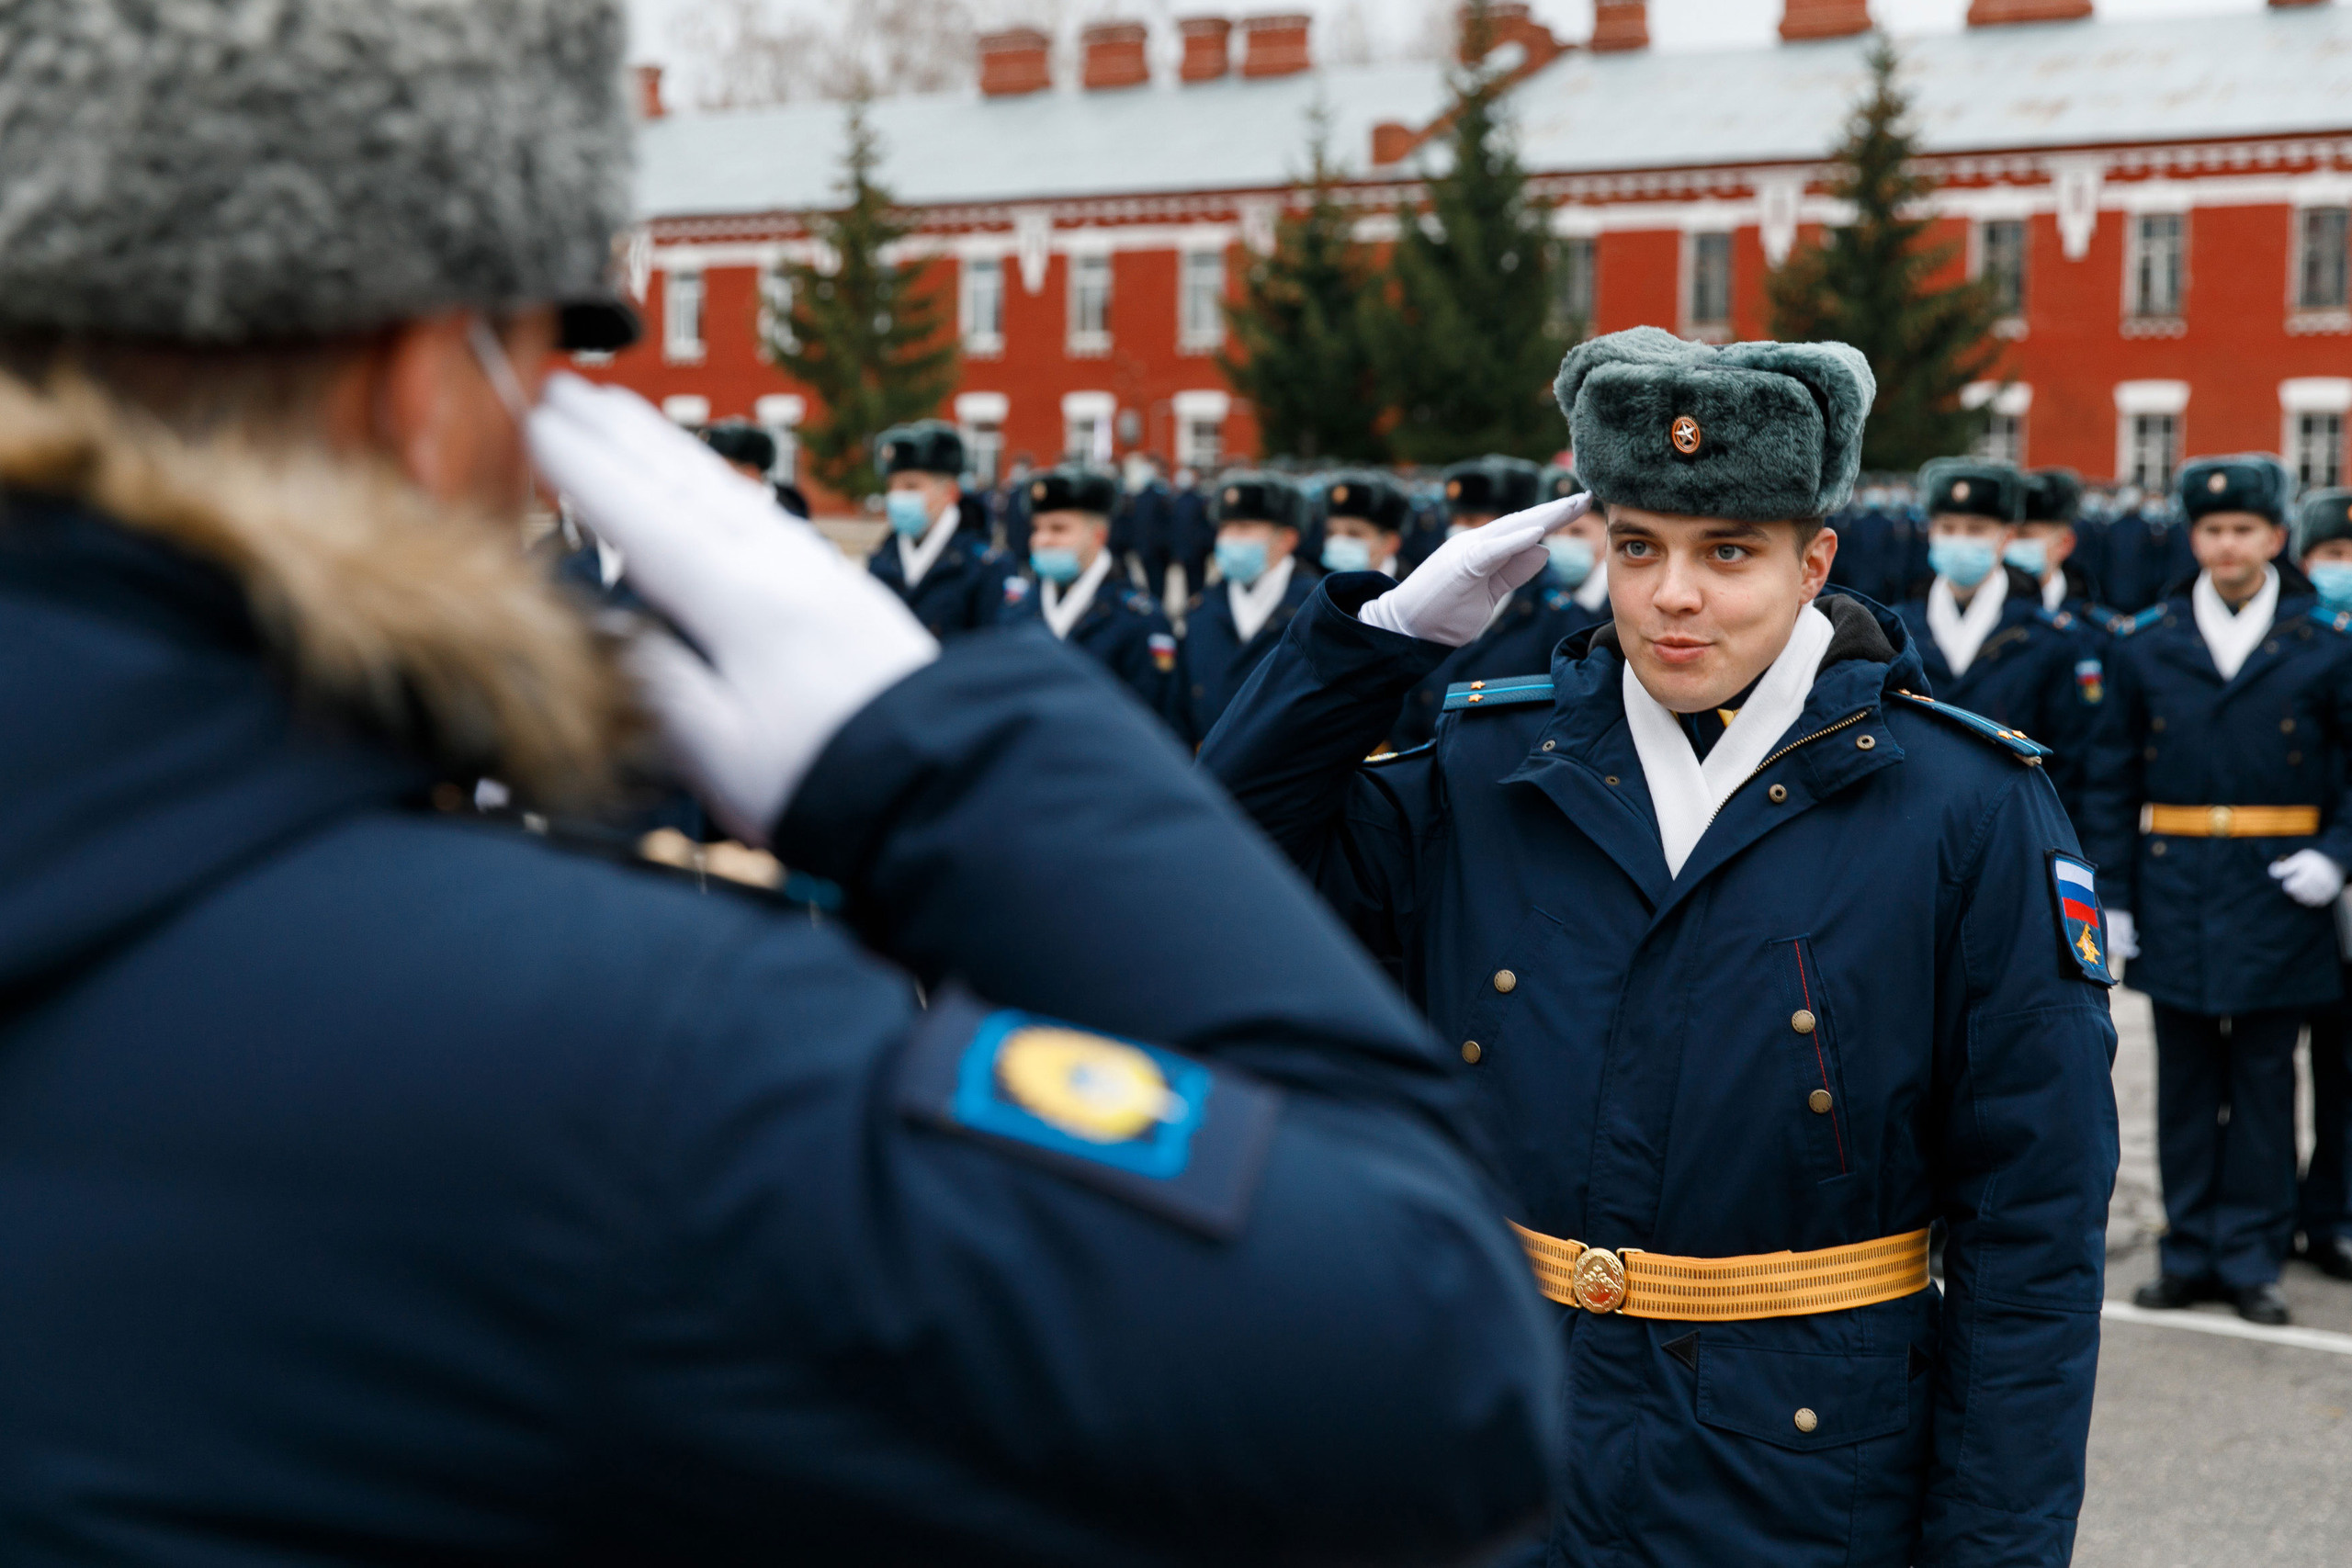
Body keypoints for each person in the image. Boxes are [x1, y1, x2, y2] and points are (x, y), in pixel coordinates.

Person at [0, 6, 1566, 1562]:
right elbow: (1428, 1355)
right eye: (542, 360)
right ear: (424, 382)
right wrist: (955, 760)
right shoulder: (611, 1058)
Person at [1201, 325, 2119, 1566]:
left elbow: (2033, 1237)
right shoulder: (1491, 772)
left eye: (1727, 551)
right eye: (1638, 546)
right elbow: (1222, 869)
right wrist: (1377, 643)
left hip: (1799, 1474)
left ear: (1815, 561)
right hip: (1506, 1439)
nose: (1674, 594)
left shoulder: (1963, 807)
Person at [2080, 455, 2352, 1326]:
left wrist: (2337, 855)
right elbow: (2111, 778)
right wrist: (2110, 898)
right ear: (2193, 536)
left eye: (2244, 529)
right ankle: (2188, 1246)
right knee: (2188, 1078)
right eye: (2211, 529)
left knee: (2268, 1081)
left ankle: (2252, 1255)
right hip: (2177, 884)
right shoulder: (2148, 642)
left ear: (2276, 536)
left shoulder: (2324, 645)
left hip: (2282, 890)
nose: (2226, 544)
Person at [1896, 458, 2100, 817]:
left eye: (1976, 529)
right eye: (1947, 527)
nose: (1960, 541)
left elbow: (2071, 763)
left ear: (2005, 537)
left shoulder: (2047, 636)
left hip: (2011, 823)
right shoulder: (1895, 628)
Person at [1392, 468, 1610, 750]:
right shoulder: (1430, 603)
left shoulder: (1557, 616)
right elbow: (1411, 711)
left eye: (1471, 521)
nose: (1457, 532)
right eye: (1454, 520)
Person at [2295, 487, 2352, 1282]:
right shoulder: (2301, 643)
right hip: (2297, 875)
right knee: (2284, 1062)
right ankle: (2281, 1209)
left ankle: (2334, 1210)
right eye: (2331, 553)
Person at [999, 463, 1180, 713]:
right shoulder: (1018, 608)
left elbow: (1155, 720)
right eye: (1036, 528)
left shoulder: (1138, 620)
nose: (1042, 539)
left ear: (1098, 535)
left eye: (1058, 528)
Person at [1168, 471, 1316, 745]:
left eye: (1244, 527)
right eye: (1224, 528)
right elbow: (1181, 706)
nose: (1228, 539)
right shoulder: (1201, 608)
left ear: (1286, 538)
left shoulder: (1316, 609)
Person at [865, 419, 1015, 638]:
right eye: (892, 486)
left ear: (950, 492)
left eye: (911, 486)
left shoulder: (985, 567)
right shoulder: (881, 561)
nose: (897, 496)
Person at [1319, 470, 1411, 579]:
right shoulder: (1315, 586)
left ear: (1390, 543)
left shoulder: (1414, 591)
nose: (1338, 541)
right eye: (1330, 533)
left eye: (1354, 534)